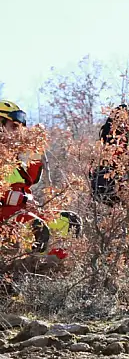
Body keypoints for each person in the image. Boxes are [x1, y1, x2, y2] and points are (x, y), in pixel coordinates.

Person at [0, 100, 81, 260]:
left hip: (21, 211)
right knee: (36, 226)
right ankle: (26, 272)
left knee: (69, 222)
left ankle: (57, 270)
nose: (19, 133)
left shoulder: (13, 158)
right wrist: (23, 199)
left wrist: (34, 150)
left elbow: (31, 178)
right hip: (6, 216)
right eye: (14, 127)